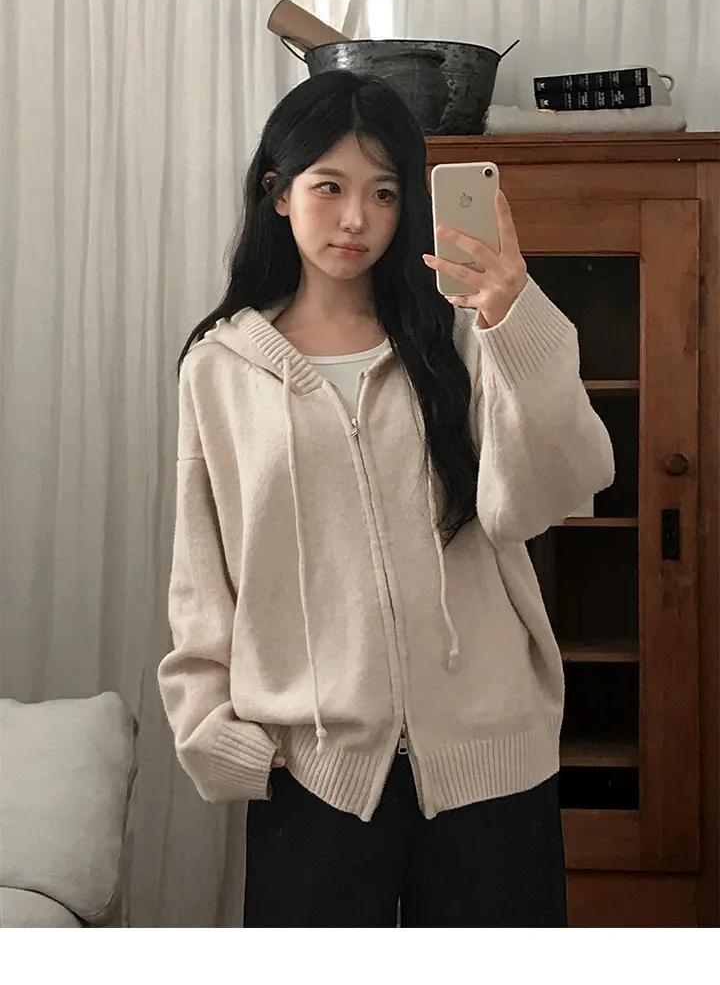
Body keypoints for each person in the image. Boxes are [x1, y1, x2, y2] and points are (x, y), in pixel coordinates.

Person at [160, 65, 615, 922]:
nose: (356, 219)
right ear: (279, 193)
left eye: (384, 192)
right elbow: (202, 568)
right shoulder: (220, 368)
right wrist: (208, 725)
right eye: (328, 186)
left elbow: (547, 495)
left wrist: (515, 321)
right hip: (312, 771)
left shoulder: (462, 338)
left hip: (492, 760)